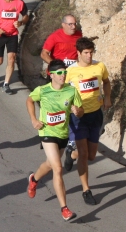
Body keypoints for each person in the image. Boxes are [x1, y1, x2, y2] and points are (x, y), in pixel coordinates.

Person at [25, 60, 83, 222]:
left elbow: (80, 111)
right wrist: (34, 119)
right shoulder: (42, 90)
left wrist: (77, 111)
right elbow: (29, 100)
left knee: (50, 164)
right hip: (47, 132)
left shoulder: (71, 91)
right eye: (59, 73)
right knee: (58, 168)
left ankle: (34, 179)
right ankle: (64, 209)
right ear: (51, 74)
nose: (63, 75)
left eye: (64, 73)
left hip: (62, 134)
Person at [61, 37, 112, 205]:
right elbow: (61, 93)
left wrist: (107, 98)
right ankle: (86, 190)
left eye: (91, 52)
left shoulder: (100, 66)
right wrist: (71, 108)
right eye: (86, 53)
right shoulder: (70, 71)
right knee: (84, 154)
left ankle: (71, 154)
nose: (89, 56)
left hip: (96, 114)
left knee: (90, 156)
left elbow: (106, 82)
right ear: (78, 53)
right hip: (78, 117)